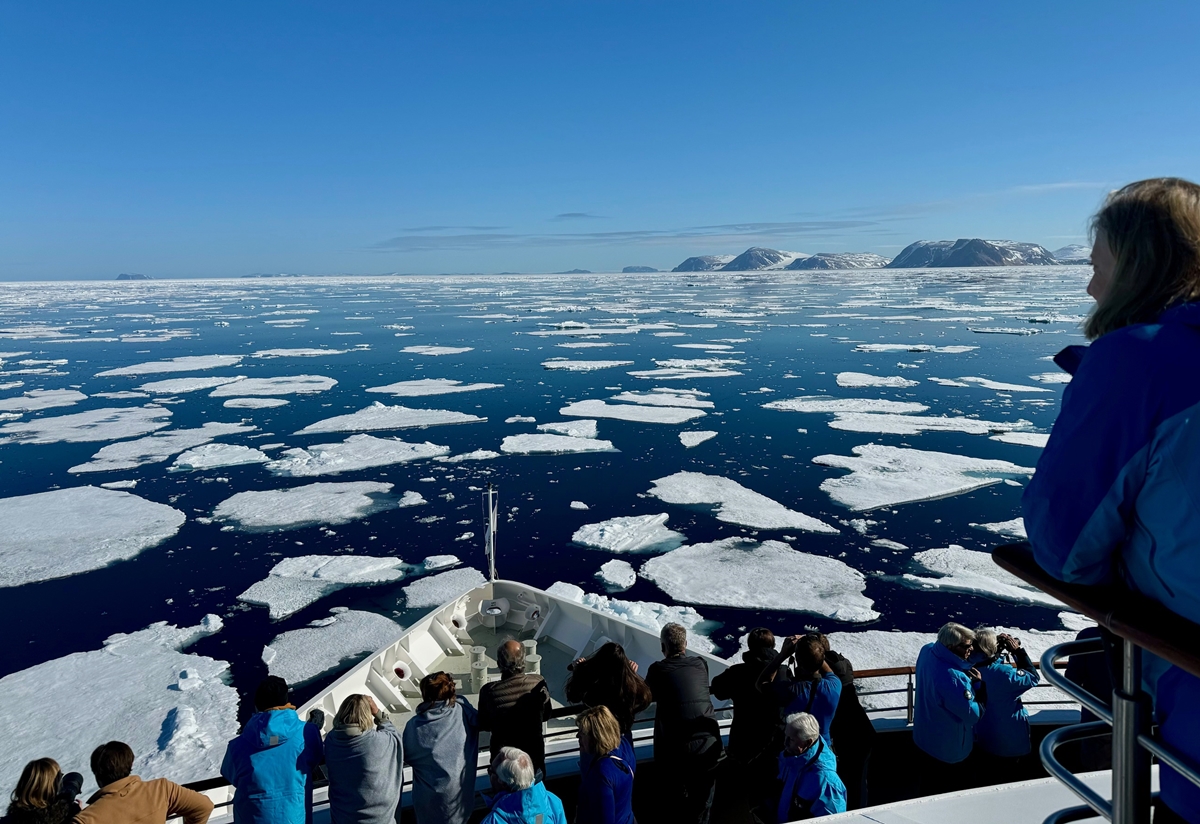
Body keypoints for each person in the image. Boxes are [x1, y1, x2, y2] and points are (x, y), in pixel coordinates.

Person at [1022, 177, 1200, 822]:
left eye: (1098, 266)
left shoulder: (1140, 362)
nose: (1090, 288)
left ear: (1139, 264)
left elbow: (1063, 545)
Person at [645, 623, 722, 824]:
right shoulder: (700, 664)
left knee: (675, 802)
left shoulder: (657, 670)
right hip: (709, 746)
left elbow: (645, 695)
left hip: (677, 752)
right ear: (685, 644)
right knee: (702, 803)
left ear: (663, 647)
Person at [221, 676, 324, 824]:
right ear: (286, 702)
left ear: (257, 703)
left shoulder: (236, 746)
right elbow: (315, 759)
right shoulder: (308, 733)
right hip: (293, 817)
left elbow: (230, 774)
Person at [710, 628, 785, 815]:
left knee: (748, 796)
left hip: (744, 745)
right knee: (773, 794)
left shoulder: (738, 672)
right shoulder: (783, 672)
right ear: (773, 646)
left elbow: (718, 689)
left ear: (750, 647)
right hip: (774, 745)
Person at [912, 623, 986, 794]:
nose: (971, 649)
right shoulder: (953, 678)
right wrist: (979, 687)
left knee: (928, 787)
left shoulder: (927, 651)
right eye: (968, 646)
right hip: (948, 751)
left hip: (925, 739)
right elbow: (973, 715)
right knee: (947, 793)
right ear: (952, 647)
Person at [403, 672, 480, 824]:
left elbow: (407, 755)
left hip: (428, 803)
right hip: (460, 800)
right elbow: (480, 721)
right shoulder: (462, 710)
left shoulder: (414, 725)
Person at [74, 741, 213, 824]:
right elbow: (204, 806)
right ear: (130, 765)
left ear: (97, 774)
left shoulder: (87, 819)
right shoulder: (161, 790)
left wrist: (78, 815)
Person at [813, 633, 876, 810]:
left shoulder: (826, 680)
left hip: (847, 735)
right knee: (858, 781)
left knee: (847, 781)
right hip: (862, 731)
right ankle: (858, 810)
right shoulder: (843, 664)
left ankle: (850, 814)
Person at [323, 693, 404, 824]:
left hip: (344, 818)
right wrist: (377, 713)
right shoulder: (379, 742)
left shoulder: (331, 741)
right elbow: (394, 735)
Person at [972, 629, 1039, 780]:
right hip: (1010, 744)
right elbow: (1032, 677)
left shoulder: (969, 668)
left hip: (984, 738)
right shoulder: (1005, 674)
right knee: (1011, 779)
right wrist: (1017, 651)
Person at [479, 639, 551, 771]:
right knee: (536, 789)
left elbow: (484, 724)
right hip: (533, 760)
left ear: (499, 663)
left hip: (503, 762)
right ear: (523, 662)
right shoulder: (538, 683)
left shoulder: (488, 691)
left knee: (503, 791)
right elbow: (546, 714)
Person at [757, 634, 841, 745]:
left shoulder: (789, 691)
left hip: (796, 748)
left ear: (798, 661)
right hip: (823, 747)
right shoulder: (835, 685)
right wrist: (814, 649)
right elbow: (827, 670)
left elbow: (761, 684)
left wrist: (783, 654)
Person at [565, 642, 652, 737]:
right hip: (619, 731)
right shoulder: (625, 687)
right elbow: (644, 699)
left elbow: (573, 696)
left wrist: (578, 671)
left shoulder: (590, 679)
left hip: (595, 729)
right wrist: (630, 676)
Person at [775, 712, 847, 821]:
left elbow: (833, 821)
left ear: (808, 742)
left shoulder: (826, 782)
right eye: (786, 736)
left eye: (792, 739)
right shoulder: (790, 759)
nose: (785, 742)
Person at [575, 706, 635, 824]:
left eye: (582, 732)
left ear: (596, 737)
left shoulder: (601, 774)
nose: (578, 736)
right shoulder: (624, 748)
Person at [480, 747, 567, 824]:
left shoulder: (492, 821)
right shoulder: (553, 803)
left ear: (501, 782)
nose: (490, 776)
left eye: (490, 771)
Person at [3, 758, 83, 824]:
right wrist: (81, 817)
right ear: (52, 786)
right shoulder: (67, 816)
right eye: (59, 777)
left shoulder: (10, 820)